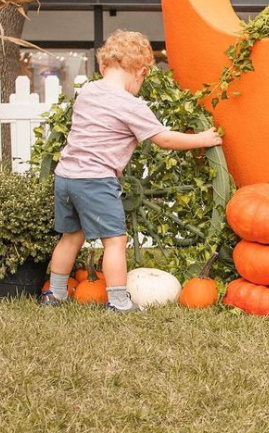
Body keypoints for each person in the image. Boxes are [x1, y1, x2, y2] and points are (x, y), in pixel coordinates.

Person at [40, 30, 222, 312]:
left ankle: (55, 293)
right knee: (115, 241)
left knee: (70, 236)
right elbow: (165, 139)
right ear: (141, 72)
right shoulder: (130, 105)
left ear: (103, 66)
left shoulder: (88, 91)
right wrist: (201, 140)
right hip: (95, 179)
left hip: (66, 177)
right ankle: (119, 301)